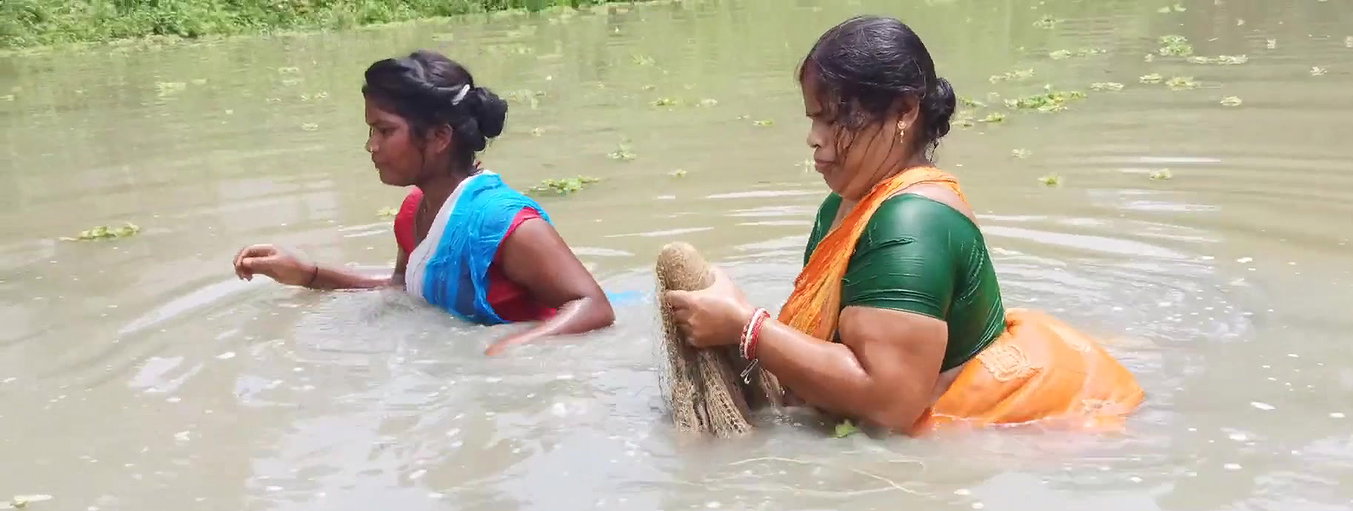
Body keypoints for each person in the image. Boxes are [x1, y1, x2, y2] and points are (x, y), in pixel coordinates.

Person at [665, 16, 1145, 434]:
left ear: (904, 111)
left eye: (835, 120)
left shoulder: (911, 223)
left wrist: (747, 330)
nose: (814, 139)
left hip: (1008, 430)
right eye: (813, 118)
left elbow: (891, 404)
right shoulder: (845, 203)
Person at [232, 50, 615, 355]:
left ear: (439, 137)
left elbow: (594, 306)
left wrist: (507, 353)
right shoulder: (415, 211)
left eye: (384, 130)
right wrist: (308, 274)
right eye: (371, 131)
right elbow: (405, 287)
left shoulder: (504, 223)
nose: (372, 145)